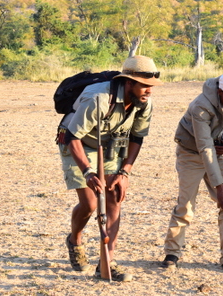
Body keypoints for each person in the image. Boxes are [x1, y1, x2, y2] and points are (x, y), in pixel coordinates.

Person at [58, 55, 162, 282]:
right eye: (144, 85)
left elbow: (137, 137)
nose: (149, 91)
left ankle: (107, 261)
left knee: (114, 195)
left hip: (109, 146)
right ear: (128, 82)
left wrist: (125, 172)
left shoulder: (145, 103)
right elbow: (72, 137)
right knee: (91, 203)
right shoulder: (97, 98)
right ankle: (75, 240)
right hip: (77, 144)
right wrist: (87, 172)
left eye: (151, 86)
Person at [161, 72, 223, 272]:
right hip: (191, 154)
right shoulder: (200, 106)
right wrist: (218, 185)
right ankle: (172, 252)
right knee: (186, 204)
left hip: (215, 152)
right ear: (220, 92)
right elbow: (204, 147)